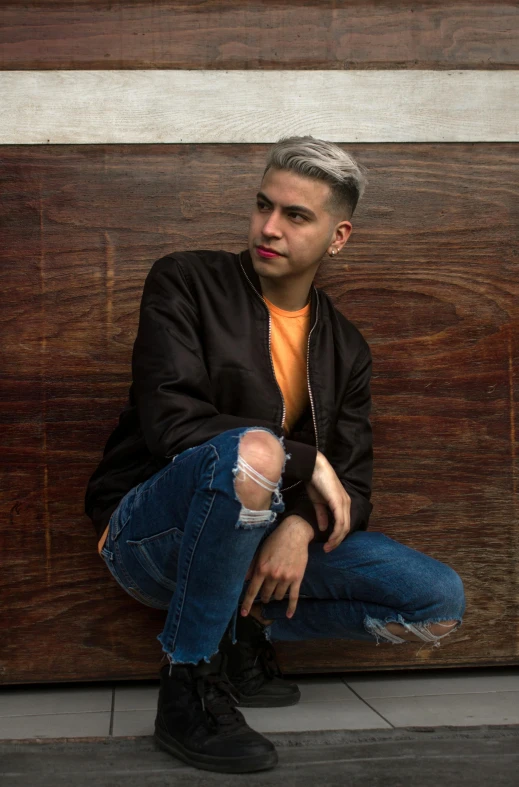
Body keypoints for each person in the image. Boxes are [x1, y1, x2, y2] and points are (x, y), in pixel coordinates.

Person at [85, 136, 465, 774]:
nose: (269, 227)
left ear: (338, 236)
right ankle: (189, 687)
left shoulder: (346, 348)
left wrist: (295, 523)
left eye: (296, 215)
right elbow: (171, 424)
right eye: (264, 206)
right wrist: (302, 462)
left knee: (436, 599)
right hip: (153, 535)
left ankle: (241, 631)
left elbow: (356, 487)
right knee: (255, 448)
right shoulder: (185, 281)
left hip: (258, 540)